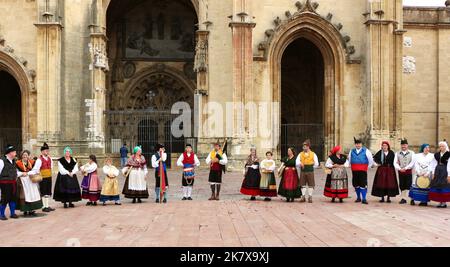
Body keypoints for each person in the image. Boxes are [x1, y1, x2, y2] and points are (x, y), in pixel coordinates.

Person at [16, 150, 43, 217]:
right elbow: (15, 172)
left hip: (31, 180)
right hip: (23, 181)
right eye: (24, 155)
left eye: (26, 155)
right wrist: (22, 173)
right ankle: (25, 210)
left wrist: (29, 173)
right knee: (25, 195)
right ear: (21, 156)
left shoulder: (32, 162)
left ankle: (32, 210)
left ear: (28, 156)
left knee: (33, 194)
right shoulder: (18, 163)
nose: (25, 156)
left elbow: (35, 170)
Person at [348, 137, 374, 204]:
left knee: (363, 184)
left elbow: (370, 160)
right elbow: (349, 159)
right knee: (356, 184)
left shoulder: (366, 150)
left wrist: (367, 166)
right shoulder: (352, 151)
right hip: (354, 170)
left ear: (361, 144)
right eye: (356, 144)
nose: (358, 145)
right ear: (355, 144)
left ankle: (364, 198)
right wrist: (349, 165)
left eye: (359, 144)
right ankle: (358, 197)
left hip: (363, 170)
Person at [31, 143, 55, 212]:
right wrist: (39, 174)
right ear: (42, 152)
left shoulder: (50, 158)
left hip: (49, 177)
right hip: (43, 178)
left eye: (47, 150)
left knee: (48, 191)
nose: (46, 152)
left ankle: (47, 206)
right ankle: (44, 207)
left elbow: (51, 166)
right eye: (45, 151)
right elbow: (36, 169)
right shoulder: (39, 160)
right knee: (44, 192)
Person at [0, 145, 20, 220]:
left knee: (13, 198)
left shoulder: (14, 161)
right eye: (14, 152)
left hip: (13, 183)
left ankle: (12, 213)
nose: (15, 153)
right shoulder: (2, 161)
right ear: (9, 153)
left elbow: (16, 172)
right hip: (4, 184)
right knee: (5, 198)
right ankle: (1, 214)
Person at [394, 139, 416, 204]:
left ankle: (411, 199)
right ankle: (403, 198)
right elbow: (395, 162)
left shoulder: (412, 153)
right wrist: (399, 168)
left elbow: (412, 162)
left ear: (407, 145)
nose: (403, 146)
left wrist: (406, 168)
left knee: (409, 185)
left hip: (408, 171)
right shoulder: (397, 153)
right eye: (402, 145)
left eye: (405, 145)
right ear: (401, 145)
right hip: (400, 171)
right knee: (402, 185)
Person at [429, 141, 450, 208]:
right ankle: (440, 202)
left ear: (445, 146)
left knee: (444, 185)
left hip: (445, 170)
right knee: (438, 185)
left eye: (443, 146)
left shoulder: (448, 154)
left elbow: (449, 165)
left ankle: (444, 202)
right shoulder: (436, 154)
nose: (441, 147)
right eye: (440, 146)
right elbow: (433, 164)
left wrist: (449, 175)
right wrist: (433, 173)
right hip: (437, 171)